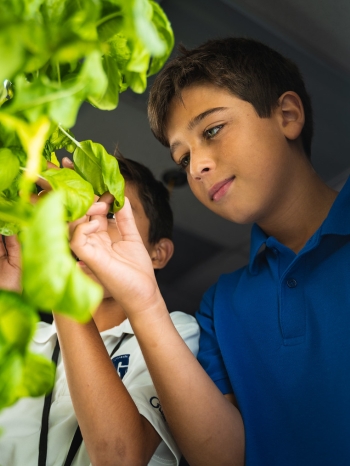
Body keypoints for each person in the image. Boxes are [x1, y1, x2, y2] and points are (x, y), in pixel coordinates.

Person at [66, 37, 350, 466]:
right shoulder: (221, 305)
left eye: (212, 130)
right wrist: (144, 303)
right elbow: (223, 458)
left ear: (287, 115)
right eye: (182, 159)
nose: (196, 167)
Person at [0, 155, 199, 466]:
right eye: (77, 209)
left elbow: (120, 457)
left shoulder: (180, 332)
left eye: (110, 213)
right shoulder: (26, 337)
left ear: (158, 253)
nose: (86, 226)